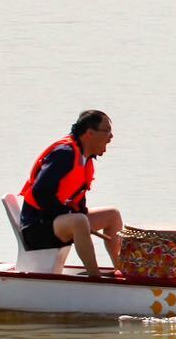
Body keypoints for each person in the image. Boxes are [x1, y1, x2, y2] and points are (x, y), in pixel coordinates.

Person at [17, 109, 126, 277]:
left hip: (58, 222)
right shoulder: (64, 154)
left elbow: (77, 201)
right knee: (79, 221)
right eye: (107, 131)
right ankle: (95, 278)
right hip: (36, 228)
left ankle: (123, 271)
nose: (111, 137)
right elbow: (40, 192)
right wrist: (68, 214)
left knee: (112, 215)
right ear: (90, 133)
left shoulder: (85, 158)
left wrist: (74, 212)